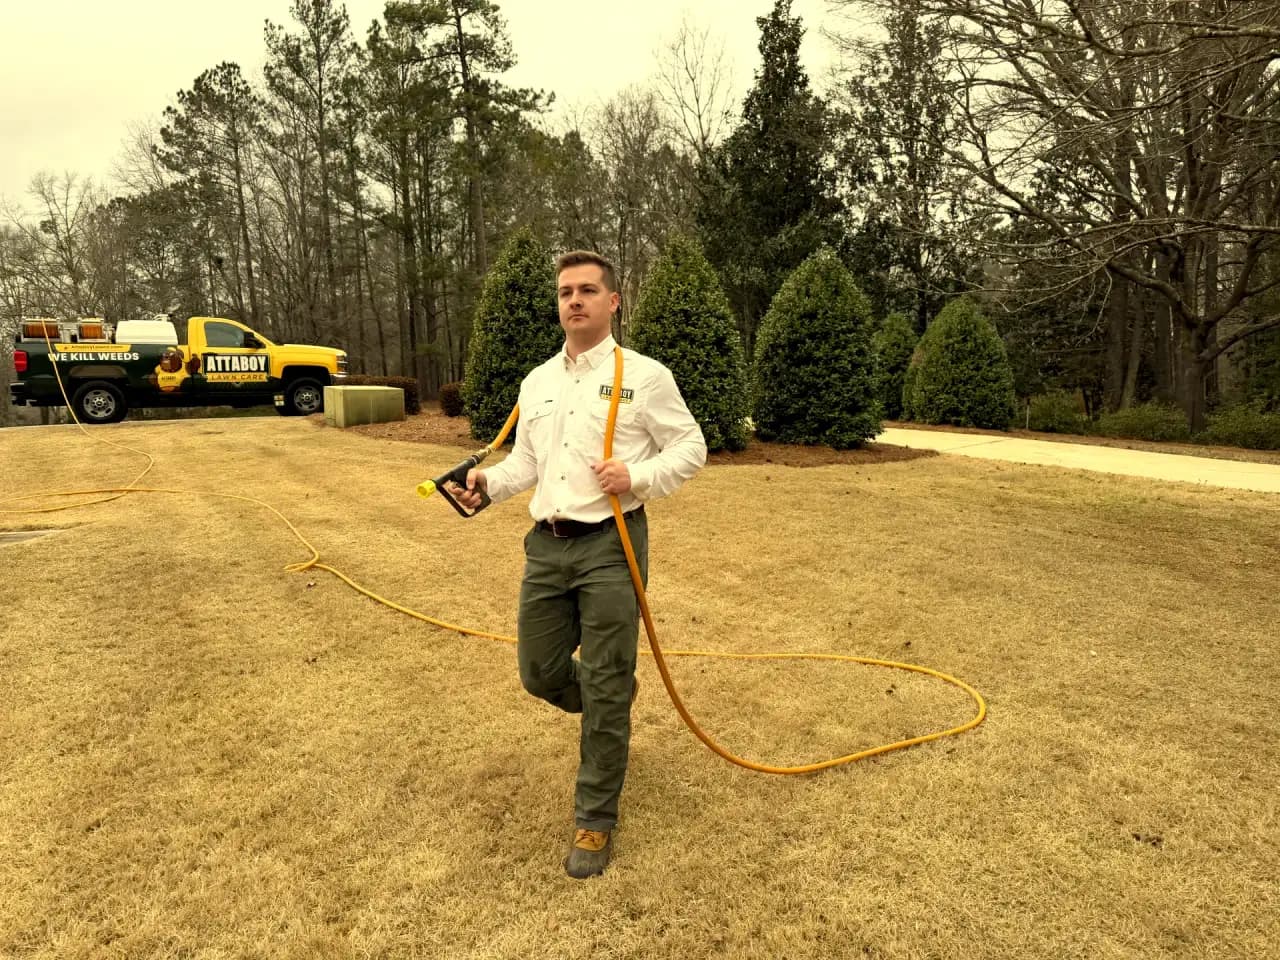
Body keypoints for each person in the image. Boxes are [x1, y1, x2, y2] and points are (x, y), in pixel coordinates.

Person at [449, 250, 707, 879]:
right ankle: (609, 703)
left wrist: (635, 473)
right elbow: (528, 466)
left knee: (608, 674)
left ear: (613, 302)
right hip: (546, 545)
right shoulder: (538, 381)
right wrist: (487, 481)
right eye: (566, 291)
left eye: (588, 290)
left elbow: (691, 446)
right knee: (539, 674)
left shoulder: (644, 376)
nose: (574, 300)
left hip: (610, 545)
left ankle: (595, 820)